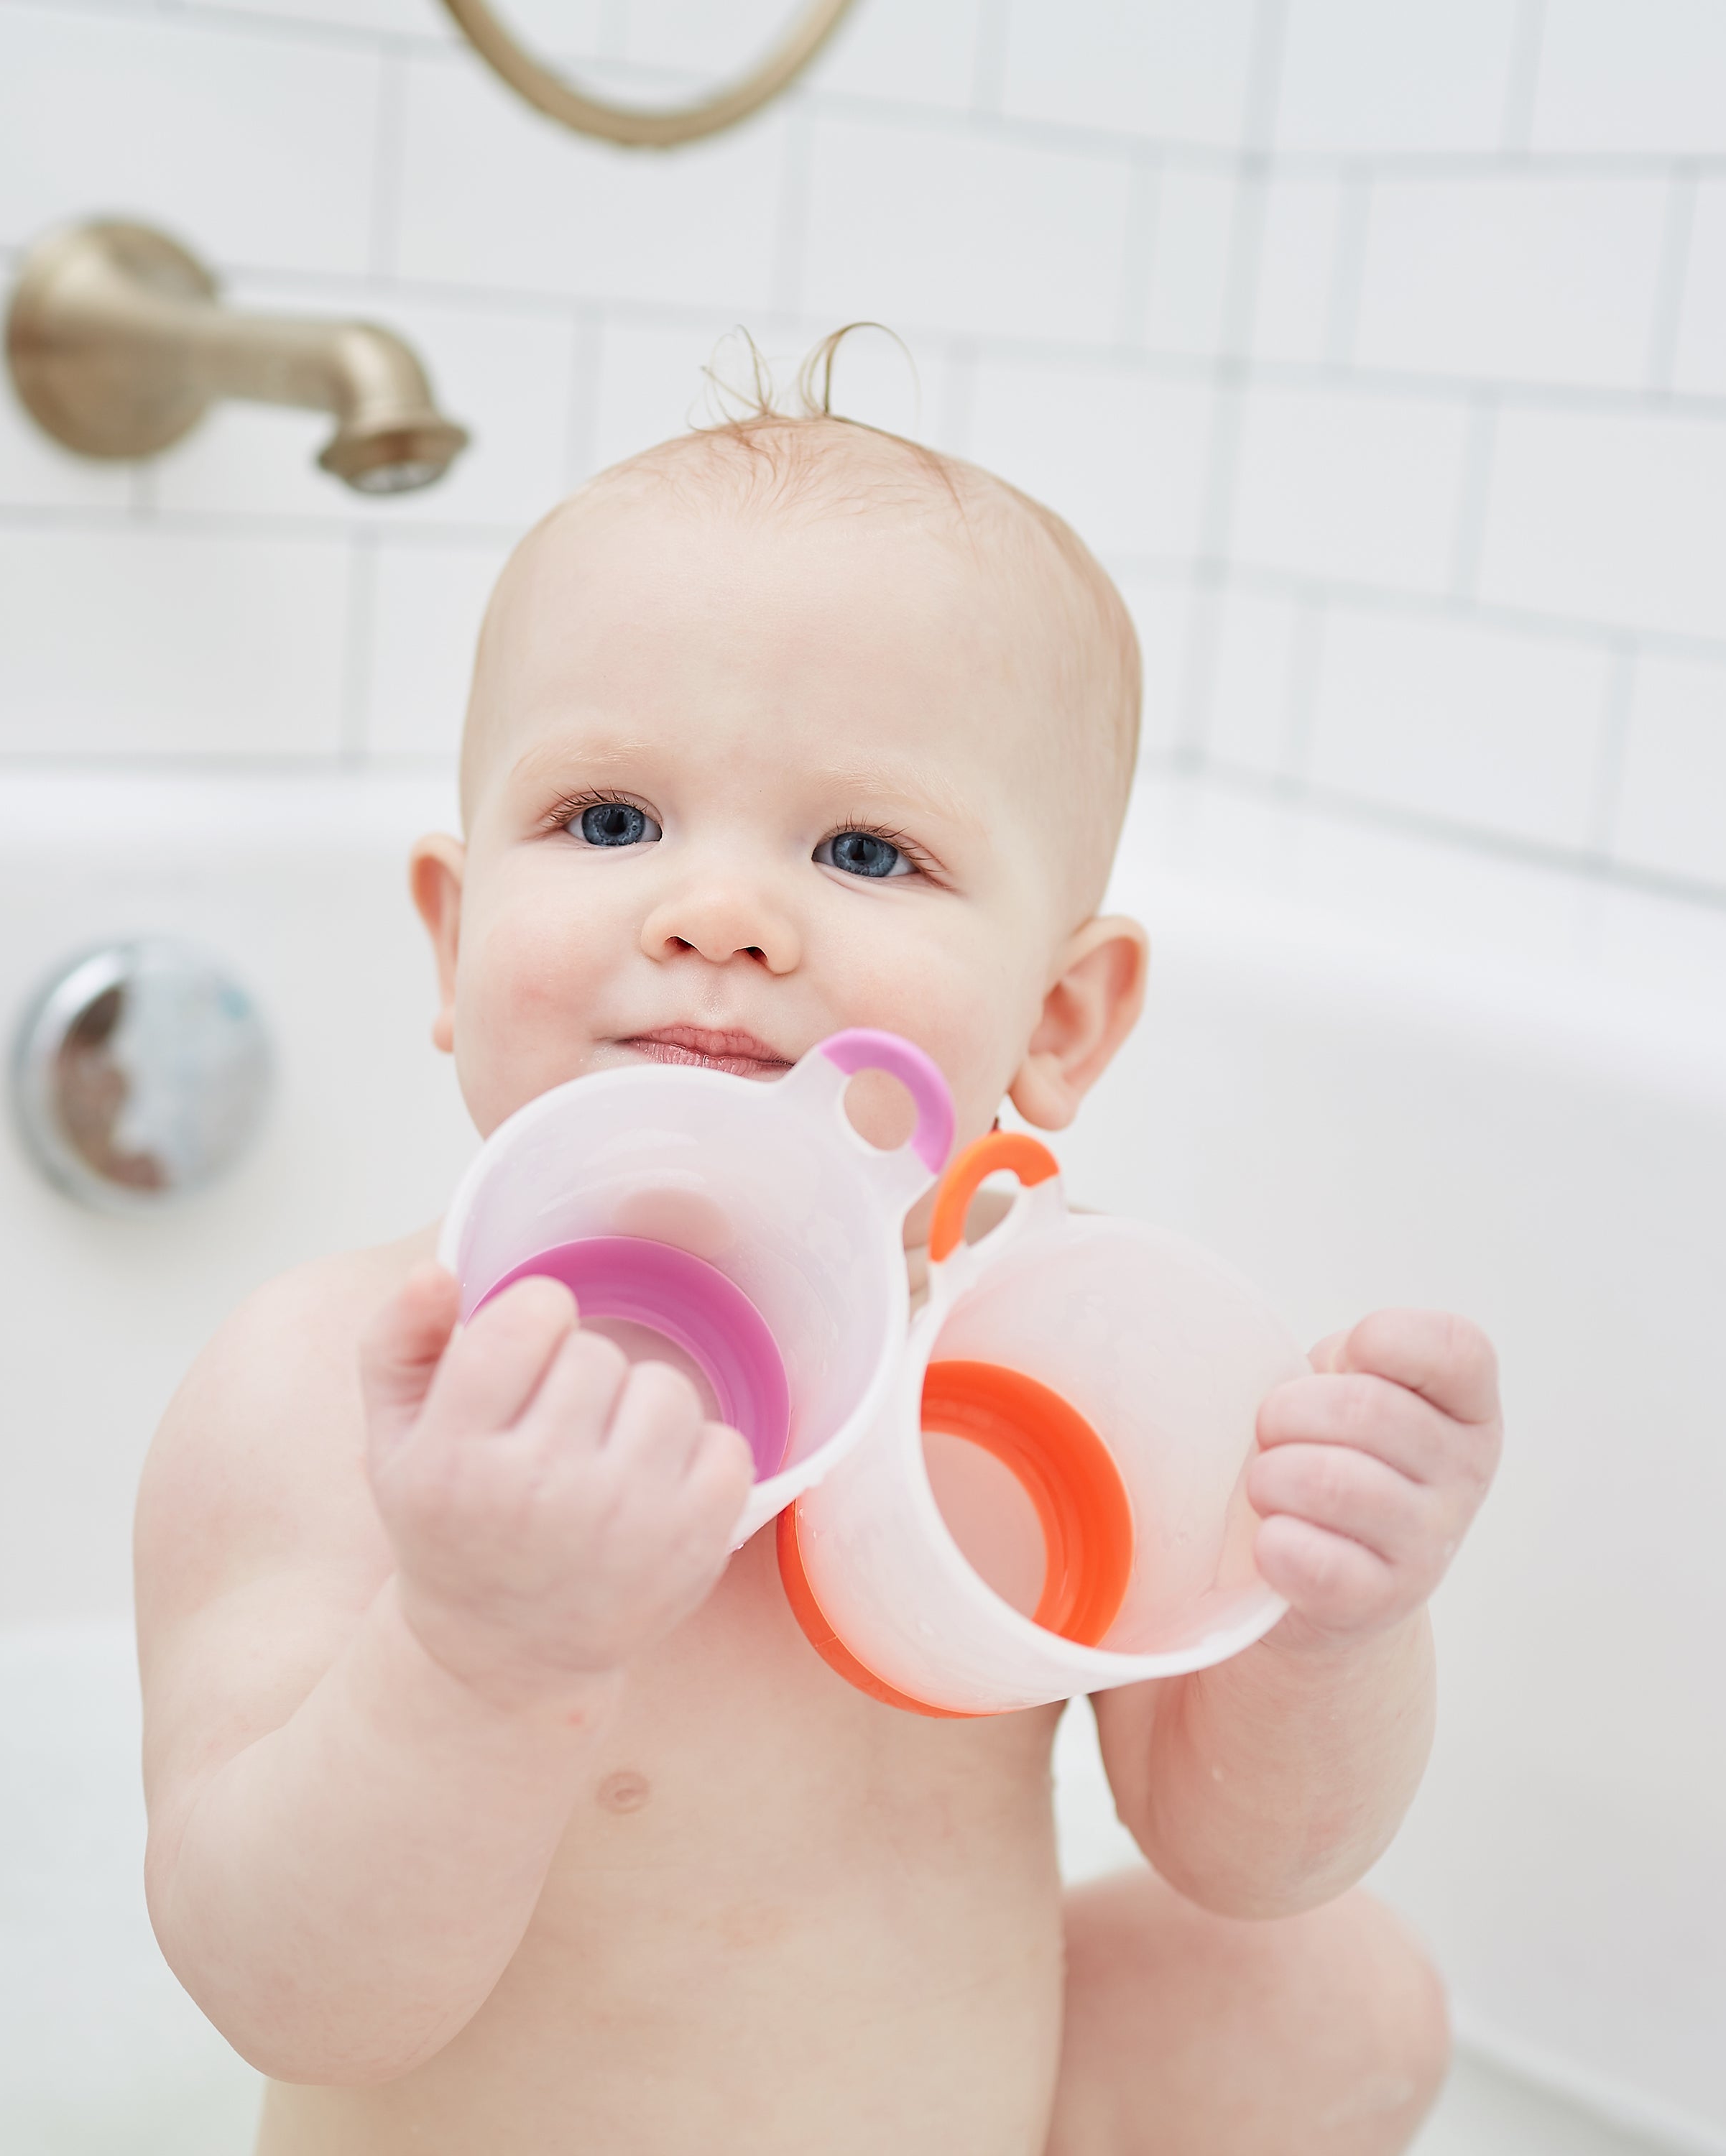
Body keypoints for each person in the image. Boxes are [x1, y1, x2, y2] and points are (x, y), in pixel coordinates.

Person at [134, 354, 1503, 2155]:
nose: (721, 914)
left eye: (865, 850)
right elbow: (288, 1990)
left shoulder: (1036, 1375)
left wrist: (1327, 1625)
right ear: (453, 941)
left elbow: (1250, 1856)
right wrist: (474, 1655)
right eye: (609, 820)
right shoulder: (335, 1390)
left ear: (1061, 1022)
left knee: (1328, 2001)